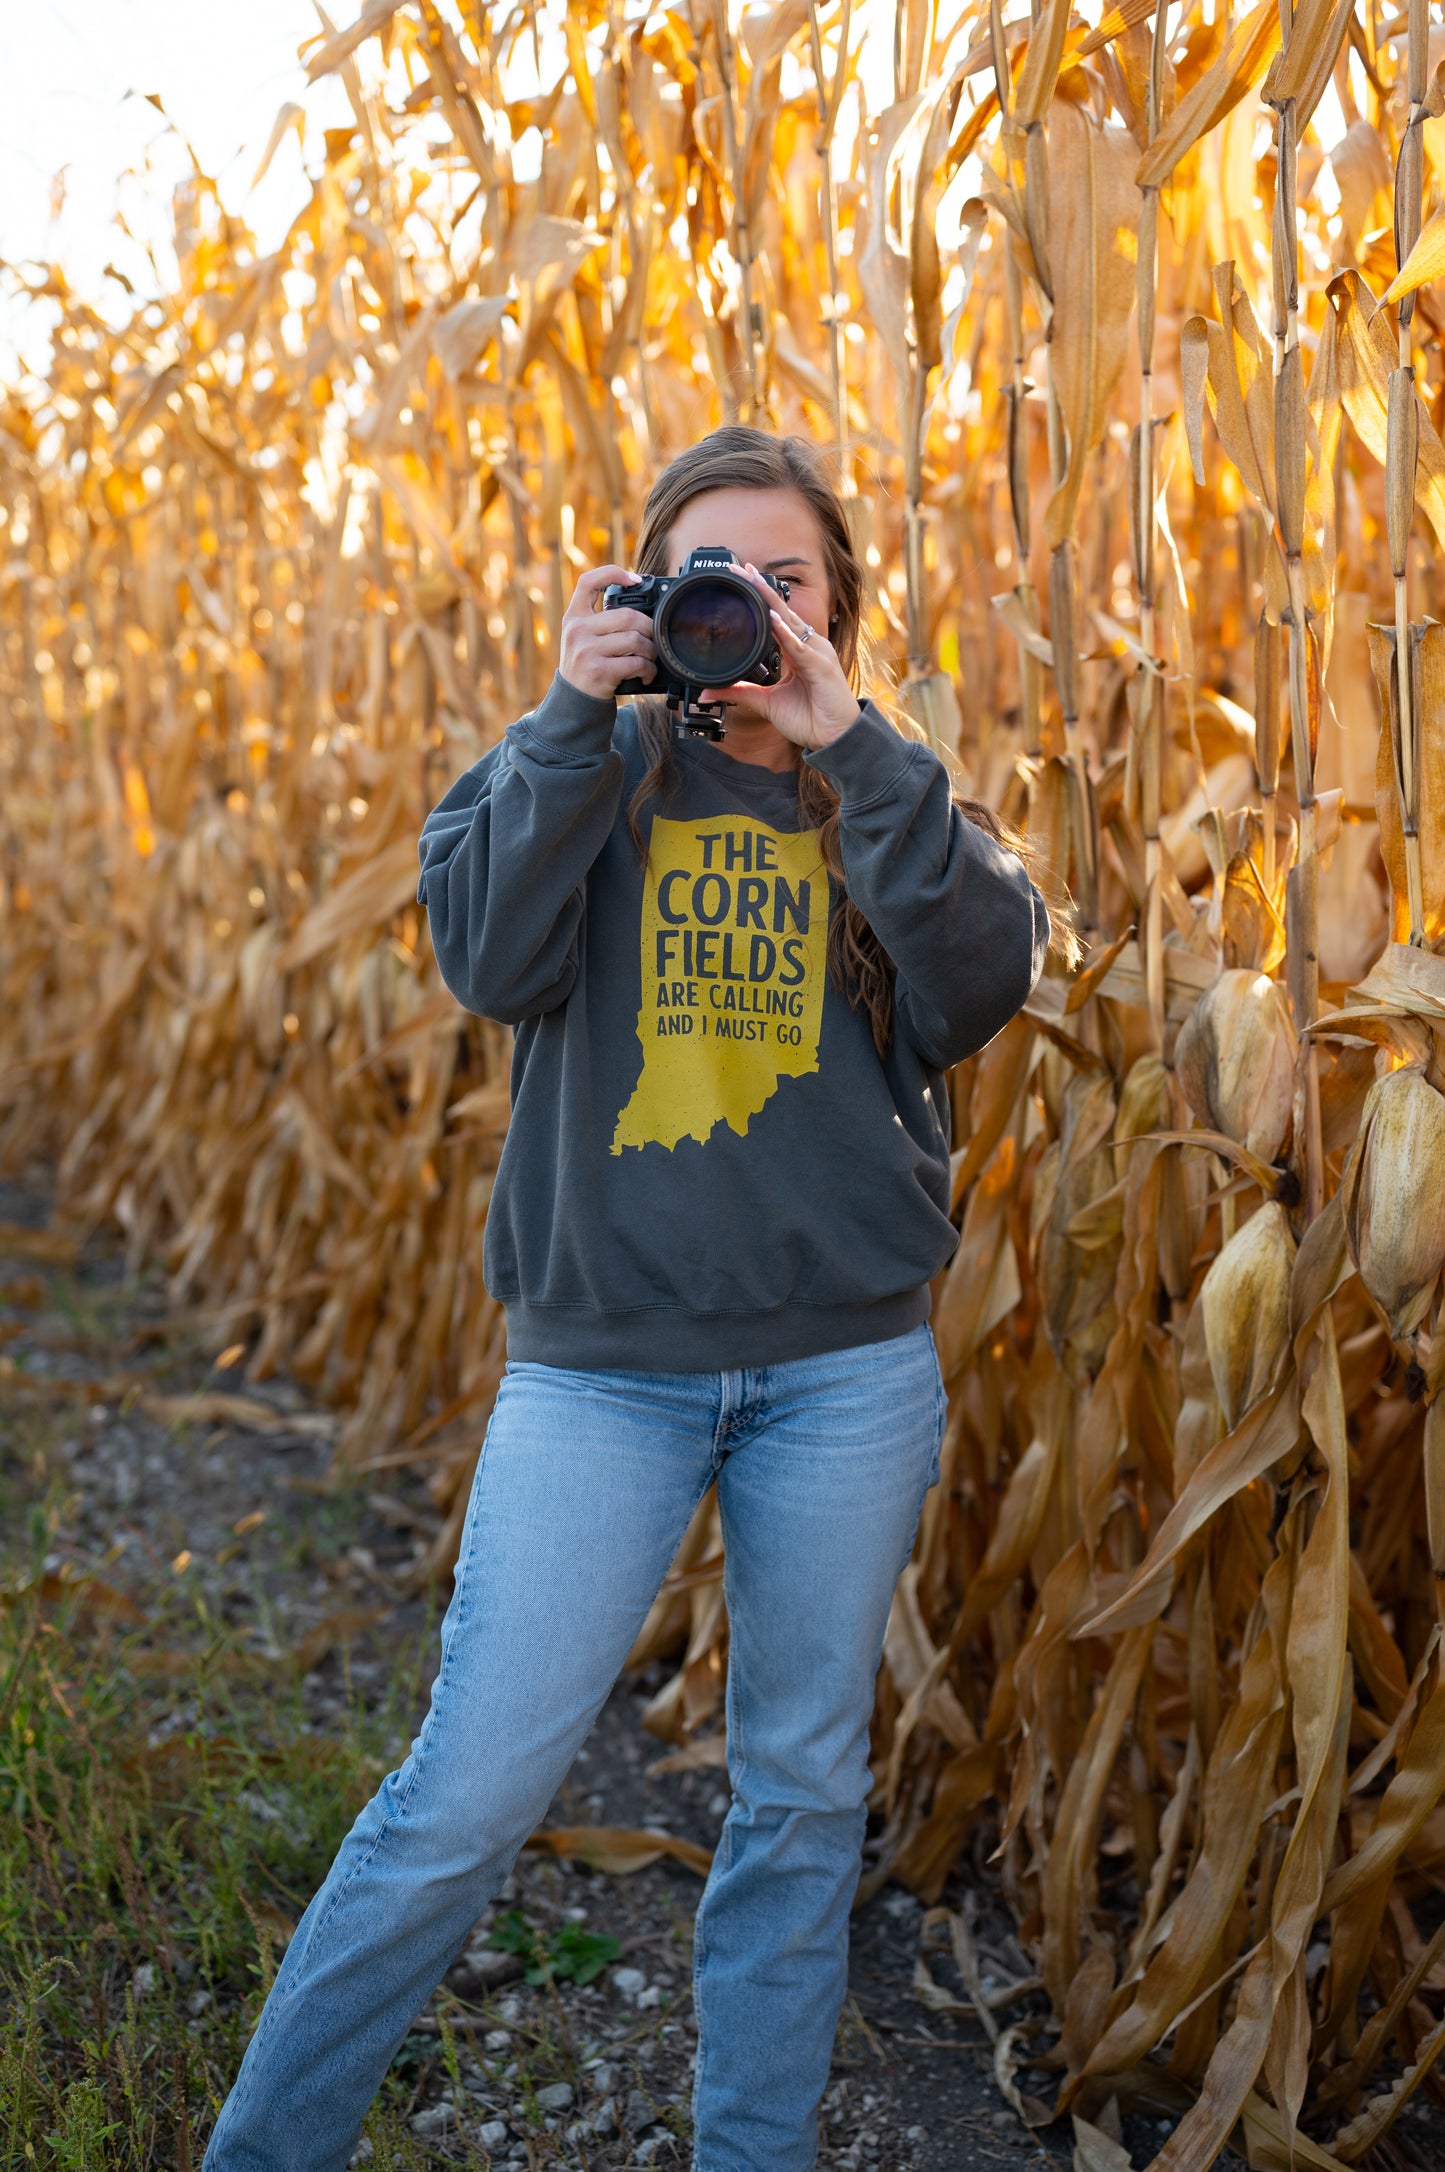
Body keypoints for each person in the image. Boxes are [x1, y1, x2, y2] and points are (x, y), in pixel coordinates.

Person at [204, 425, 1049, 2172]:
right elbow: (486, 957)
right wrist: (569, 723)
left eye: (782, 581)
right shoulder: (577, 772)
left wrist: (856, 750)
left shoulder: (887, 793)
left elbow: (976, 988)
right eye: (704, 584)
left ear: (831, 607)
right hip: (605, 1380)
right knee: (469, 1795)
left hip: (843, 1377)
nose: (746, 612)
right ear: (646, 605)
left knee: (803, 1802)